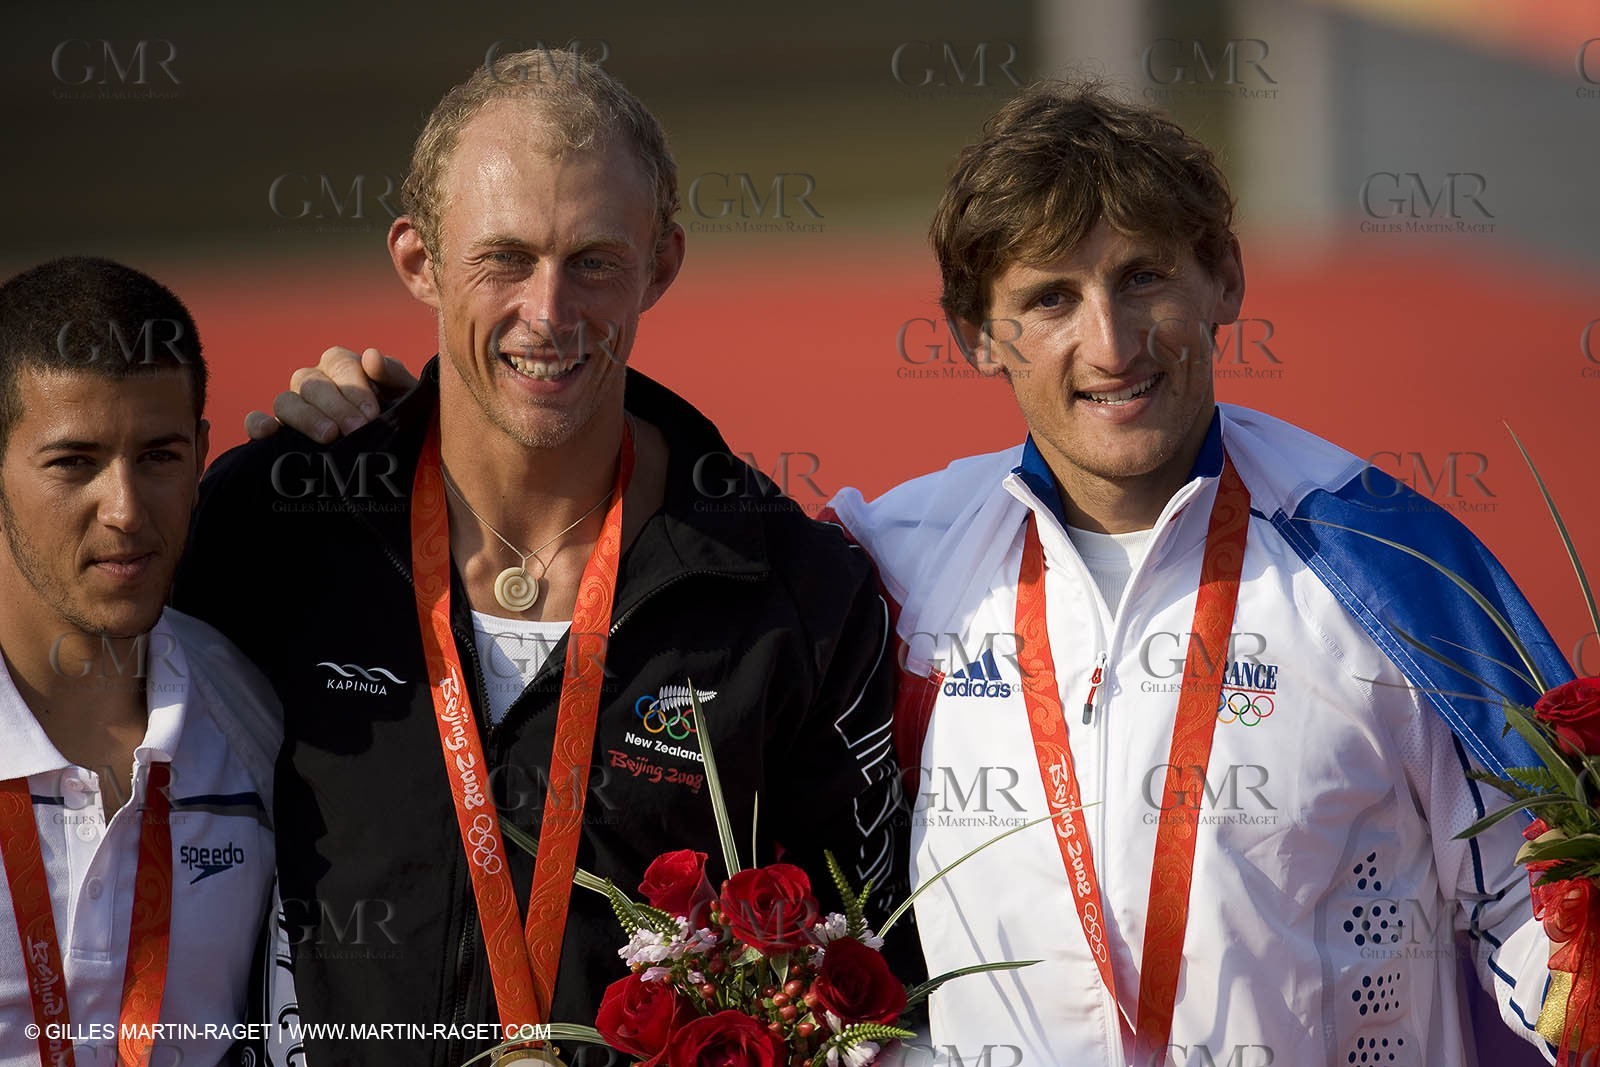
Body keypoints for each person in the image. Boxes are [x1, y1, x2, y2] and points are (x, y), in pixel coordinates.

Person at [277, 80, 1578, 1065]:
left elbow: (1549, 898)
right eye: (1051, 297)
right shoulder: (891, 563)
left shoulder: (1390, 564)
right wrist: (399, 431)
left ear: (1225, 279)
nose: (1110, 341)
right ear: (977, 330)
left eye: (1144, 280)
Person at [172, 49, 902, 1065]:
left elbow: (864, 973)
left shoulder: (792, 589)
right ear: (418, 259)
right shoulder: (274, 526)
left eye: (595, 260)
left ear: (664, 260)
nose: (550, 312)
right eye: (502, 258)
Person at [0, 257, 279, 1066]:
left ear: (200, 454)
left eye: (157, 456)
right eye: (74, 462)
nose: (124, 510)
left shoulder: (256, 714)